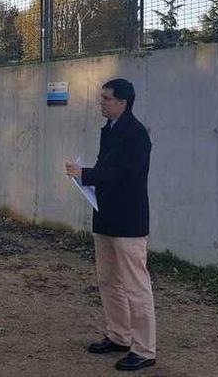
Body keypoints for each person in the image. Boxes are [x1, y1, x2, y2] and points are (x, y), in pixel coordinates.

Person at [65, 78, 156, 372]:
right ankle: (119, 335)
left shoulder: (137, 134)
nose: (101, 102)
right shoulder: (110, 130)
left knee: (136, 286)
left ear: (122, 103)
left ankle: (144, 349)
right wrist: (85, 176)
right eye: (102, 97)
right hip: (105, 216)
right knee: (108, 280)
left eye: (106, 98)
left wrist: (87, 174)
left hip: (128, 221)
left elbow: (126, 174)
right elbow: (106, 168)